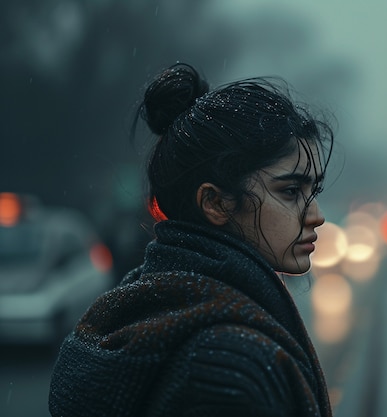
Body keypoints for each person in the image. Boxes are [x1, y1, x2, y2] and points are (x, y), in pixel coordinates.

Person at [48, 63, 335, 417]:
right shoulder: (230, 365)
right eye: (291, 190)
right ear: (215, 203)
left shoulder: (147, 303)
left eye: (314, 189)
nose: (316, 214)